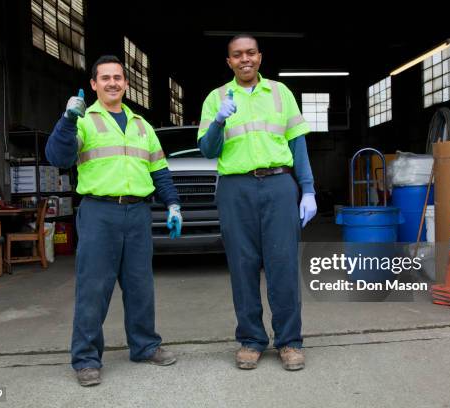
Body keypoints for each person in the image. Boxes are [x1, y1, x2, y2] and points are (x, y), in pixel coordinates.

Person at [46, 55, 182, 386]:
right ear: (94, 84)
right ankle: (86, 358)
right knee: (94, 287)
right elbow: (57, 156)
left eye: (118, 77)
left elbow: (159, 170)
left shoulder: (142, 125)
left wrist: (173, 204)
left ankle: (145, 346)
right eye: (104, 77)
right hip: (98, 212)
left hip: (137, 213)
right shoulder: (83, 120)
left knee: (140, 286)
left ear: (126, 83)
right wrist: (66, 120)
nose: (112, 82)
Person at [198, 34, 317, 371]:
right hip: (235, 189)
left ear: (260, 57)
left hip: (279, 184)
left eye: (250, 53)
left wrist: (307, 190)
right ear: (229, 61)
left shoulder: (281, 94)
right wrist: (219, 120)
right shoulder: (215, 98)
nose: (244, 59)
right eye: (237, 55)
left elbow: (298, 146)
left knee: (283, 265)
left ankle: (290, 342)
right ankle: (251, 340)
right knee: (243, 265)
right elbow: (208, 150)